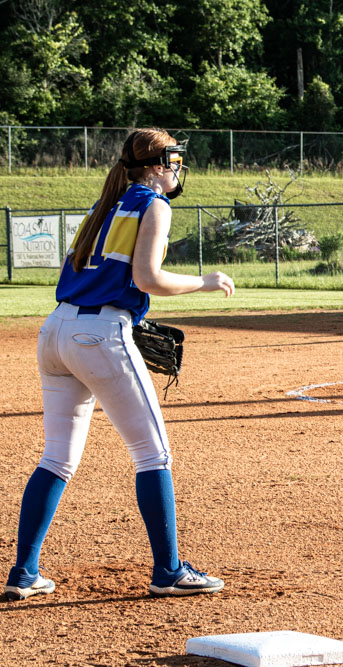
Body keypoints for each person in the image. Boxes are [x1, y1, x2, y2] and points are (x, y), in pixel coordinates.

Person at [4, 128, 235, 601]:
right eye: (174, 160)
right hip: (100, 334)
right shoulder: (154, 204)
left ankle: (24, 572)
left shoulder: (105, 204)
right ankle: (168, 570)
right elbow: (148, 278)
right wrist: (205, 282)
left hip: (56, 330)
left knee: (56, 458)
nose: (178, 169)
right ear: (158, 165)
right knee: (154, 455)